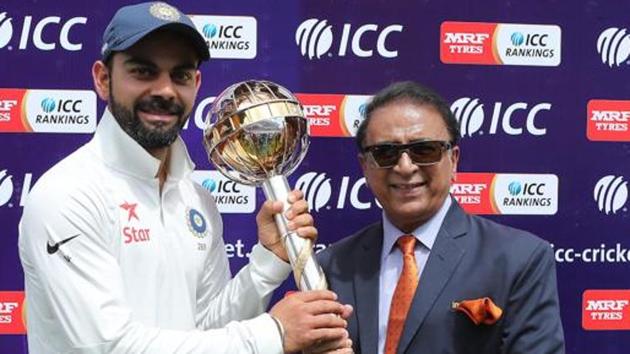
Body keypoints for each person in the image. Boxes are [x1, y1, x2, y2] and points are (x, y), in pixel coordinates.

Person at [18, 2, 352, 353]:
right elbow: (109, 346)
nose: (165, 90)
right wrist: (274, 333)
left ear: (196, 84)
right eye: (143, 72)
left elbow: (207, 331)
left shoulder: (197, 199)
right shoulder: (67, 194)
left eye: (180, 75)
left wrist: (269, 260)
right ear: (103, 79)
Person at [317, 81, 565, 354]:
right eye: (385, 153)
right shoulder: (333, 265)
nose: (405, 167)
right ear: (365, 166)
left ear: (454, 160)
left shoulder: (519, 258)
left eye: (424, 150)